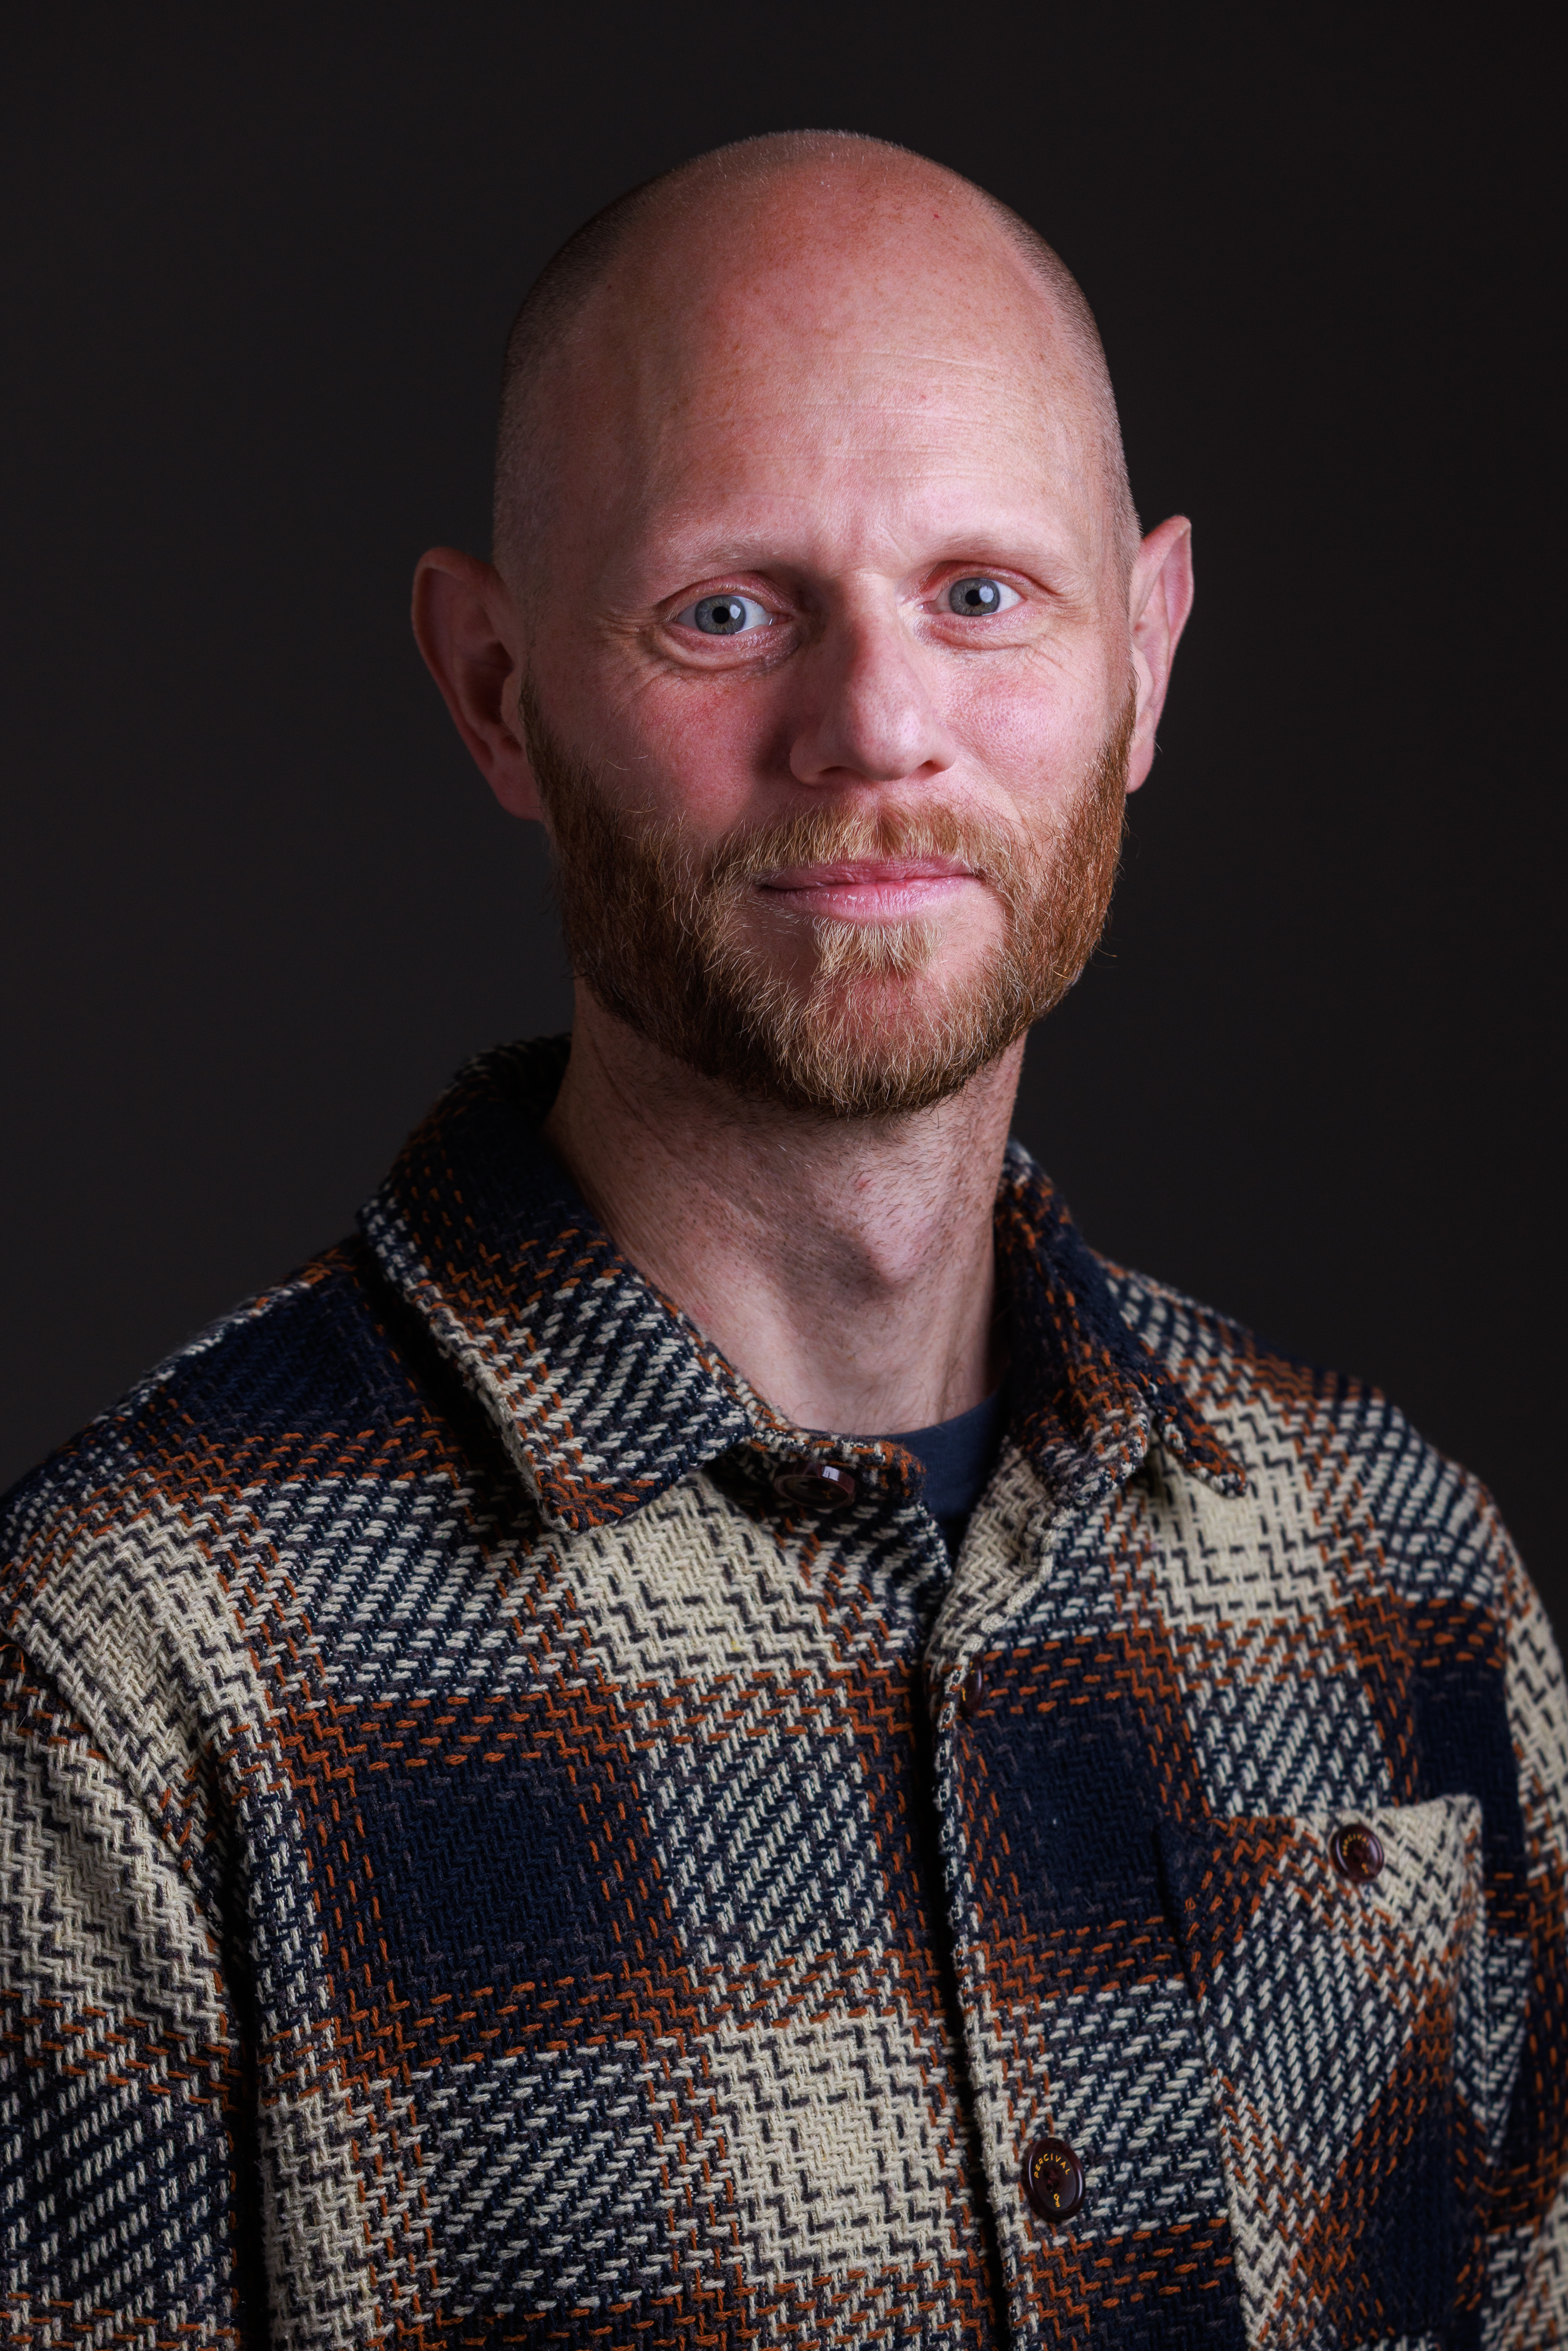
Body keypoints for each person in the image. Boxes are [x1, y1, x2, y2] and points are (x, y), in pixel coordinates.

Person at [2, 130, 1563, 2351]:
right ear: (494, 687)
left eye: (980, 595)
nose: (875, 730)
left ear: (1143, 656)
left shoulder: (1406, 1581)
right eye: (726, 609)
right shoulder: (131, 1686)